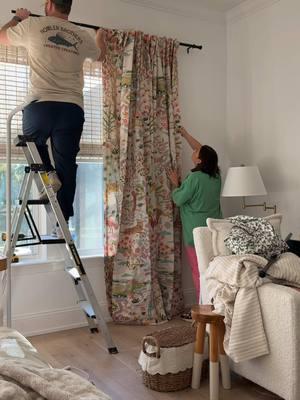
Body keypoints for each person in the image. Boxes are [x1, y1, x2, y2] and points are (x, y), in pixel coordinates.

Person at [0, 1, 106, 235]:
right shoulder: (80, 34)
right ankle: (63, 221)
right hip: (71, 109)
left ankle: (47, 173)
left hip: (41, 105)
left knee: (32, 145)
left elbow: (1, 37)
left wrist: (18, 18)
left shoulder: (33, 25)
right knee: (67, 164)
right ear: (69, 7)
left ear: (48, 5)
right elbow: (100, 55)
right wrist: (99, 35)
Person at [168, 127, 222, 310]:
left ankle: (204, 308)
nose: (195, 150)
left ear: (199, 160)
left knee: (199, 271)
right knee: (213, 271)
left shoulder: (194, 178)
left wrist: (176, 184)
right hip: (214, 231)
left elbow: (178, 199)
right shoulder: (216, 176)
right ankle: (215, 305)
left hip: (195, 234)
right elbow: (203, 149)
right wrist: (185, 135)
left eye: (196, 152)